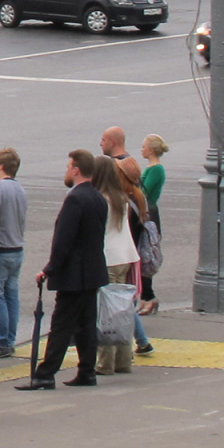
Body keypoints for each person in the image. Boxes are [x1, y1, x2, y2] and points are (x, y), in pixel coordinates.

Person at [15, 150, 110, 390]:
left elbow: (63, 240)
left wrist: (49, 269)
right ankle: (87, 371)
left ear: (76, 170)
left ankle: (45, 373)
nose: (66, 171)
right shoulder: (98, 197)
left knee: (61, 325)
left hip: (74, 274)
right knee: (86, 324)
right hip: (92, 271)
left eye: (68, 167)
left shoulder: (75, 199)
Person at [93, 158, 145, 374]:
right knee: (121, 310)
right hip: (125, 256)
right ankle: (124, 360)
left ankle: (105, 362)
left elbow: (100, 232)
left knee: (106, 313)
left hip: (109, 258)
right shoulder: (121, 198)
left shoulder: (101, 199)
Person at [0, 148, 28, 358]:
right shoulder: (20, 189)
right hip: (17, 248)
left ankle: (1, 342)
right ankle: (9, 339)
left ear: (0, 165)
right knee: (11, 296)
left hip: (0, 250)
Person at [138, 134, 168, 317]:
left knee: (146, 255)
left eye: (144, 146)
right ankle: (144, 297)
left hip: (148, 216)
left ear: (150, 149)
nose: (141, 149)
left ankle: (149, 297)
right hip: (146, 214)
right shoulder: (151, 167)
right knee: (142, 256)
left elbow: (144, 192)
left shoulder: (156, 169)